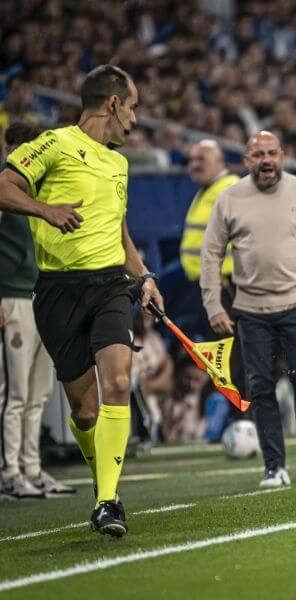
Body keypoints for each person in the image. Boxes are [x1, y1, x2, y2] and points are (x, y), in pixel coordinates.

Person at [0, 65, 165, 536]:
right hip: (56, 291)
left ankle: (108, 501)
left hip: (111, 285)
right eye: (132, 108)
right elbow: (4, 187)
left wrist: (146, 276)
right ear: (113, 103)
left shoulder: (120, 163)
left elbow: (120, 234)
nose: (134, 120)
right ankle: (105, 490)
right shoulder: (53, 144)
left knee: (117, 380)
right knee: (86, 412)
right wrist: (45, 210)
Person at [202, 131, 296, 487]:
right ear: (246, 161)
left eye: (272, 153)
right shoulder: (228, 199)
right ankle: (274, 466)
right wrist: (212, 304)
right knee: (259, 386)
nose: (265, 161)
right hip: (249, 308)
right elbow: (211, 254)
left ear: (283, 156)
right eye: (257, 155)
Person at [0, 121, 75, 499]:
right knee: (13, 391)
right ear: (11, 147)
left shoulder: (40, 191)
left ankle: (31, 467)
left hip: (39, 295)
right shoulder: (5, 187)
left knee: (37, 392)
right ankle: (8, 471)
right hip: (10, 295)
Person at [180, 139, 240, 321]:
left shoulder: (230, 189)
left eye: (201, 159)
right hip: (208, 285)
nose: (194, 165)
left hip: (226, 286)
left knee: (227, 345)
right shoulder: (208, 189)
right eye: (191, 160)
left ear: (219, 161)